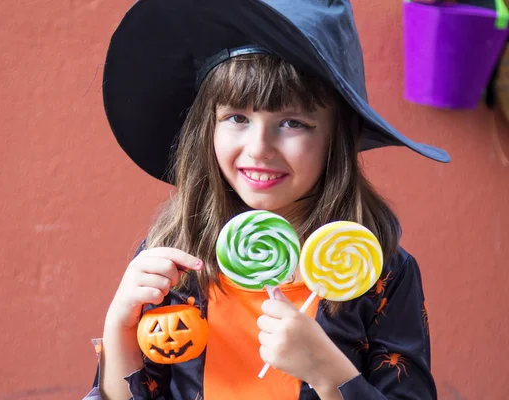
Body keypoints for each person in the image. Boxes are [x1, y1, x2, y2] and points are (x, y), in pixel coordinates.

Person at [84, 0, 449, 399]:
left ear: (335, 138)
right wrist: (120, 328)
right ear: (207, 127)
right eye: (237, 118)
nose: (258, 149)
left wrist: (329, 372)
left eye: (292, 122)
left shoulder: (379, 272)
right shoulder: (175, 260)